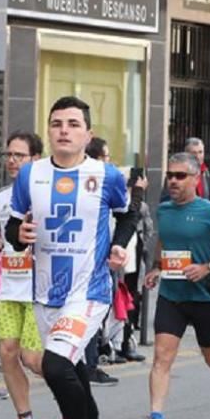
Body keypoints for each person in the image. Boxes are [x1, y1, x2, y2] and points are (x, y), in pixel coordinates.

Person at [5, 95, 141, 419]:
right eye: (57, 123)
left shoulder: (108, 175)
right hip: (46, 293)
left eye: (73, 124)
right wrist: (20, 236)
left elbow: (130, 214)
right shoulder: (30, 175)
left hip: (89, 290)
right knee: (75, 378)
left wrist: (119, 245)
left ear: (88, 134)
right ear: (49, 131)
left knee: (55, 364)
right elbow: (14, 228)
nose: (64, 130)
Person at [130, 152, 210, 419]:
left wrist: (208, 267)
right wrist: (157, 267)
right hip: (172, 295)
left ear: (196, 179)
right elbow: (163, 240)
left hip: (205, 297)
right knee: (162, 356)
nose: (172, 180)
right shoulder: (165, 210)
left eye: (180, 175)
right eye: (170, 175)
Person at [0, 131, 45, 419]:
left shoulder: (47, 194)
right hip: (10, 288)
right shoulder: (1, 197)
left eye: (19, 155)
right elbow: (6, 242)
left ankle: (72, 393)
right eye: (8, 155)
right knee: (8, 355)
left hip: (39, 289)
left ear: (35, 159)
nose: (12, 161)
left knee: (33, 359)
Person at [81, 137, 120, 386]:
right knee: (90, 318)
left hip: (107, 258)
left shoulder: (109, 182)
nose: (109, 161)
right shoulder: (91, 185)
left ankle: (92, 362)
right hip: (91, 264)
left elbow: (124, 214)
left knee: (100, 316)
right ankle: (88, 367)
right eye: (106, 157)